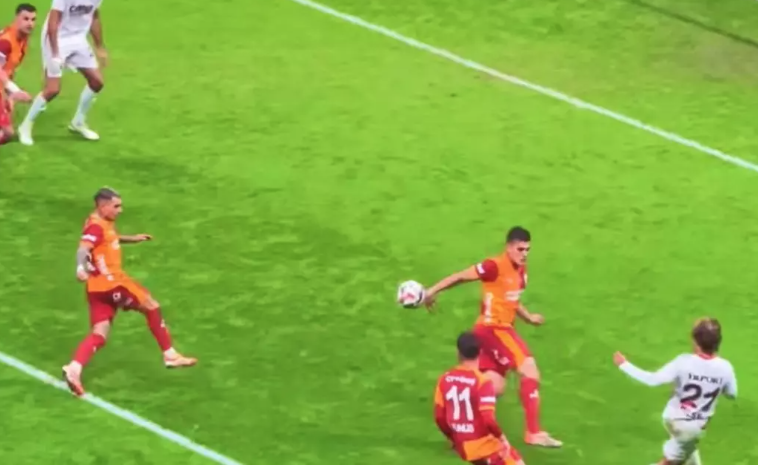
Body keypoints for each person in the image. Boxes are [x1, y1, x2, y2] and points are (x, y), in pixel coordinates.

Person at [424, 226, 561, 447]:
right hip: (494, 329)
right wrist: (431, 291)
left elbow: (510, 299)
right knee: (529, 369)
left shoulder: (521, 270)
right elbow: (461, 276)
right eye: (520, 249)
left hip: (491, 332)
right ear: (509, 247)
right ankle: (533, 432)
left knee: (494, 386)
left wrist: (528, 317)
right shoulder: (494, 266)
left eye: (527, 249)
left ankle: (459, 424)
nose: (525, 254)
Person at [62, 187, 197, 397]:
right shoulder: (96, 227)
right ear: (103, 206)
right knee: (151, 306)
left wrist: (132, 239)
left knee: (99, 333)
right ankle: (170, 355)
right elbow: (83, 249)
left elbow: (107, 238)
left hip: (95, 288)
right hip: (114, 283)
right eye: (116, 206)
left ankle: (74, 368)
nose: (120, 210)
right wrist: (80, 268)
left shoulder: (97, 221)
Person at [614, 317, 737, 465]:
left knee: (689, 455)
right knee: (669, 462)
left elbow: (653, 380)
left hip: (674, 418)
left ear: (695, 341)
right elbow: (732, 394)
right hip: (692, 428)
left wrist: (625, 365)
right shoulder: (725, 368)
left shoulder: (683, 362)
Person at [18, 0, 107, 145]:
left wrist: (99, 46)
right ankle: (25, 126)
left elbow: (94, 16)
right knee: (52, 89)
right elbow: (53, 21)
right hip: (57, 38)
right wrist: (55, 53)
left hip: (78, 39)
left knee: (97, 82)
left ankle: (78, 122)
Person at [434, 331, 525, 465]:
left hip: (464, 447)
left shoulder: (445, 379)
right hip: (484, 446)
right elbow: (488, 419)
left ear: (458, 352)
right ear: (480, 352)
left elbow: (439, 417)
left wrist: (453, 438)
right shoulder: (482, 382)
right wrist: (502, 437)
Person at [0, 3, 36, 144]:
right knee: (7, 133)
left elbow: (8, 68)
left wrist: (9, 95)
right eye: (25, 19)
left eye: (33, 19)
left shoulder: (22, 39)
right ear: (17, 19)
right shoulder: (6, 42)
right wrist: (15, 90)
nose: (30, 23)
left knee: (9, 108)